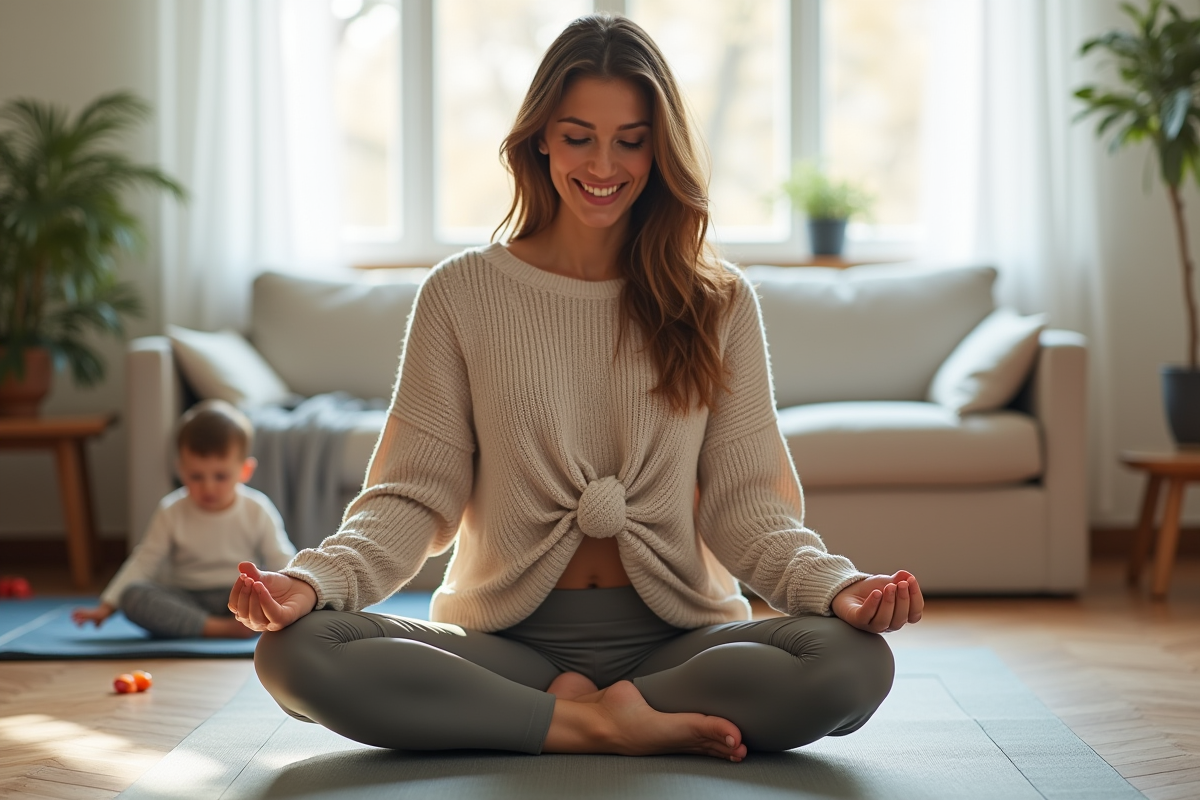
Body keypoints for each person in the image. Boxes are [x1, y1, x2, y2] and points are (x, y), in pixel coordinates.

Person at [229, 14, 923, 761]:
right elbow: (413, 496)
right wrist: (313, 581)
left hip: (678, 647)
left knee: (854, 663)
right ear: (540, 140)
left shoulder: (717, 301)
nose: (604, 163)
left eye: (631, 138)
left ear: (661, 148)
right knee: (294, 654)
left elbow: (747, 504)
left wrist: (836, 588)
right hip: (507, 647)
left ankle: (563, 718)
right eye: (578, 135)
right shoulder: (460, 294)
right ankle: (597, 726)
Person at [74, 399, 296, 639]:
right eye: (196, 476)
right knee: (133, 596)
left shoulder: (257, 508)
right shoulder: (172, 510)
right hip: (185, 597)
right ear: (180, 470)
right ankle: (223, 629)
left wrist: (298, 594)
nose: (208, 487)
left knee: (265, 591)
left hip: (238, 595)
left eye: (220, 476)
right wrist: (107, 607)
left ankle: (222, 625)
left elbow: (280, 557)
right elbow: (145, 560)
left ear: (244, 471)